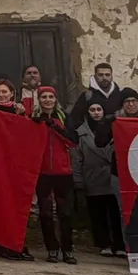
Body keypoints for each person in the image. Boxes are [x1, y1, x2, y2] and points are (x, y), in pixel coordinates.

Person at [30, 86, 78, 264]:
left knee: (65, 213)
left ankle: (68, 250)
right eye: (44, 97)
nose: (47, 100)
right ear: (39, 100)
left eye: (51, 97)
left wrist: (56, 127)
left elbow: (73, 141)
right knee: (45, 213)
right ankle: (52, 248)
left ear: (55, 99)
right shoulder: (34, 118)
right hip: (43, 172)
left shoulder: (64, 117)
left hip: (63, 172)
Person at [73, 101, 124, 257]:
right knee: (98, 213)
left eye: (99, 109)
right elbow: (77, 159)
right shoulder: (80, 133)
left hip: (113, 175)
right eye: (92, 110)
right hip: (93, 176)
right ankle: (104, 243)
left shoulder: (117, 128)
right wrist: (78, 182)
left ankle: (120, 244)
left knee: (116, 213)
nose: (96, 112)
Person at [67, 63, 121, 132]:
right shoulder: (87, 96)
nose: (104, 78)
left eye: (107, 75)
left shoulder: (119, 94)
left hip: (116, 137)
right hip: (93, 138)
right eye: (100, 75)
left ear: (111, 76)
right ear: (95, 76)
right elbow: (75, 120)